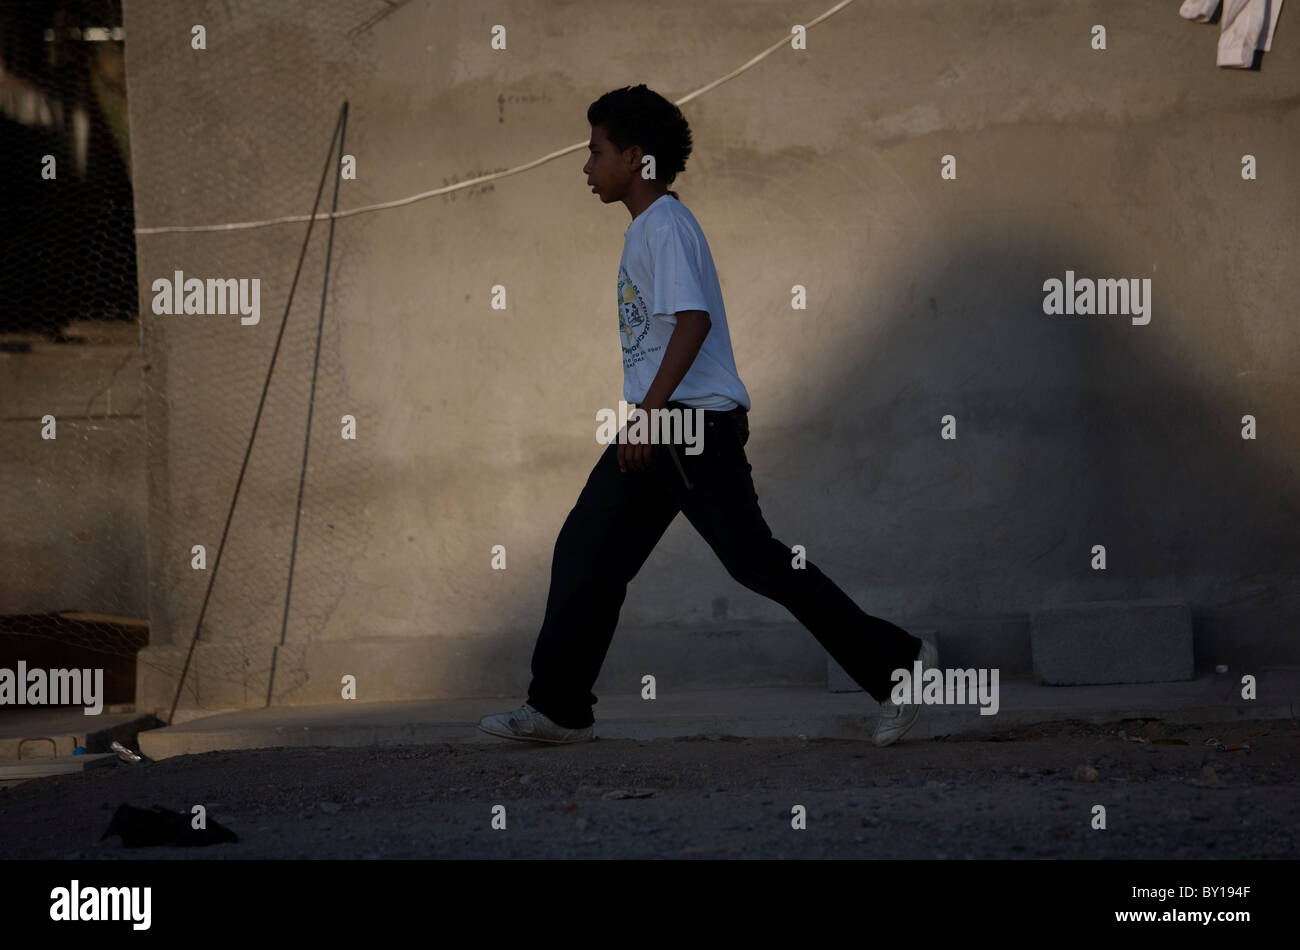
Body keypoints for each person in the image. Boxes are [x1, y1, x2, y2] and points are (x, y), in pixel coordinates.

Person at [479, 84, 936, 747]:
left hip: (689, 425)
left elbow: (692, 322)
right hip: (663, 425)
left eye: (595, 150)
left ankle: (901, 667)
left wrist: (648, 414)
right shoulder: (651, 228)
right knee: (587, 549)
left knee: (755, 561)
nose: (586, 165)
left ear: (636, 158)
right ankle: (557, 708)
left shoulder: (664, 225)